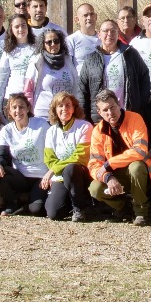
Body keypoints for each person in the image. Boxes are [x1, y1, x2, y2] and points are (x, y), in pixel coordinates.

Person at [86, 90, 151, 225]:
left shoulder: (135, 118)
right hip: (116, 177)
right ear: (99, 113)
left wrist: (109, 164)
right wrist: (108, 177)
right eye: (105, 110)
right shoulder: (97, 131)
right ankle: (124, 208)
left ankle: (141, 211)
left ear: (119, 104)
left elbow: (140, 151)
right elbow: (94, 165)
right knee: (94, 189)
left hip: (141, 175)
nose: (110, 113)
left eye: (112, 107)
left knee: (136, 166)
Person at [74, 20, 151, 125]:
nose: (109, 34)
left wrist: (140, 104)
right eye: (105, 31)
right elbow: (82, 89)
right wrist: (84, 118)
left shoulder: (130, 54)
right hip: (100, 119)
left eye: (113, 31)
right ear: (99, 34)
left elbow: (144, 78)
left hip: (127, 116)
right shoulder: (91, 60)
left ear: (118, 34)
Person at [0, 94, 51, 215]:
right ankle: (12, 203)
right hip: (20, 176)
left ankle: (22, 207)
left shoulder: (41, 124)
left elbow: (52, 149)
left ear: (28, 108)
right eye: (14, 107)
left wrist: (50, 173)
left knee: (36, 210)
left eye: (21, 107)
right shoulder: (6, 130)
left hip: (40, 176)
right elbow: (2, 155)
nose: (18, 111)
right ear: (9, 111)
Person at [42, 91, 94, 221]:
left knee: (71, 168)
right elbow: (49, 159)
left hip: (81, 174)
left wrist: (53, 170)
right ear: (55, 109)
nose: (64, 109)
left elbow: (81, 156)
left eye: (68, 105)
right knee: (54, 213)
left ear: (74, 108)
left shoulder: (84, 126)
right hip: (60, 177)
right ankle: (70, 203)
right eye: (60, 106)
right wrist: (55, 169)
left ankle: (79, 208)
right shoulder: (51, 131)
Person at [25, 28, 76, 118]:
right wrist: (28, 112)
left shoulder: (68, 60)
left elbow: (76, 86)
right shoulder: (37, 62)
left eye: (56, 41)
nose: (53, 44)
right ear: (43, 44)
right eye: (49, 42)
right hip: (43, 114)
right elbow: (28, 90)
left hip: (65, 114)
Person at [0, 14, 39, 110]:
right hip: (12, 99)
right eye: (16, 27)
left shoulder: (37, 48)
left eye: (23, 25)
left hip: (32, 99)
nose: (20, 29)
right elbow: (1, 82)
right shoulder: (8, 52)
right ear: (11, 29)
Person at [65, 3, 100, 77]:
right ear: (77, 19)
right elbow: (67, 67)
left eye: (92, 14)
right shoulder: (71, 40)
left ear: (96, 17)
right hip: (80, 86)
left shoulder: (103, 39)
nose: (89, 18)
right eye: (85, 15)